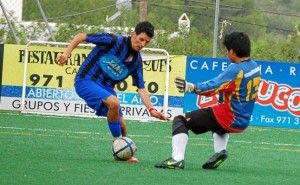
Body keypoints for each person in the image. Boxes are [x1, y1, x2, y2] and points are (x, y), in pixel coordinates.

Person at [56, 21, 169, 163]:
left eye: (146, 42)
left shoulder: (136, 61)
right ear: (134, 34)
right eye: (141, 39)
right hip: (86, 80)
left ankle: (123, 154)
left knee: (122, 125)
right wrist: (66, 53)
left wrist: (152, 110)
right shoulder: (113, 40)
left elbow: (141, 87)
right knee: (114, 103)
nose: (143, 44)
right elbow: (80, 36)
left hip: (106, 88)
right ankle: (118, 146)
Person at [155, 32, 261, 169]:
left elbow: (214, 86)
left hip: (229, 116)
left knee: (180, 120)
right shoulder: (255, 67)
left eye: (227, 50)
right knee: (216, 120)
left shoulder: (235, 70)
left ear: (233, 51)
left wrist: (192, 87)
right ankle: (220, 151)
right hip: (243, 120)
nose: (226, 54)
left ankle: (177, 159)